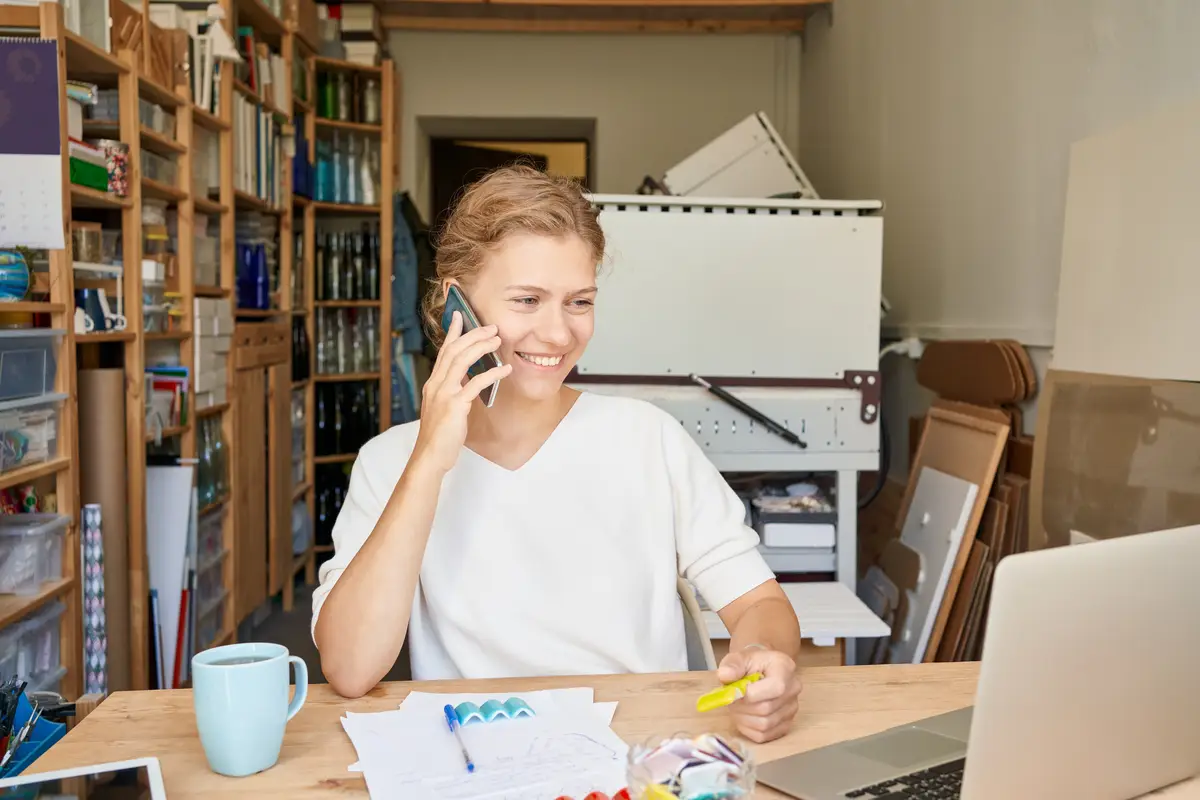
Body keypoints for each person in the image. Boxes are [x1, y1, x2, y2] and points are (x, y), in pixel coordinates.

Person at [311, 165, 804, 743]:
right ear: (454, 304)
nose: (559, 333)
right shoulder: (390, 461)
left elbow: (760, 603)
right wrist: (428, 464)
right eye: (527, 300)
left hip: (640, 756)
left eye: (579, 301)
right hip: (479, 763)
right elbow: (350, 669)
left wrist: (760, 660)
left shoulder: (649, 439)